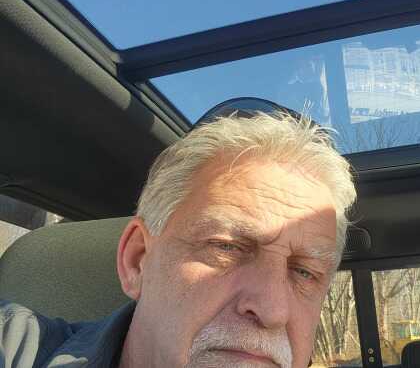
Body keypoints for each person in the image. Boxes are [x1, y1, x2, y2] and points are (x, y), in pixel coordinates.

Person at [0, 98, 356, 368]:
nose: (273, 310)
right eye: (227, 248)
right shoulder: (16, 347)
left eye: (305, 272)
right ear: (137, 260)